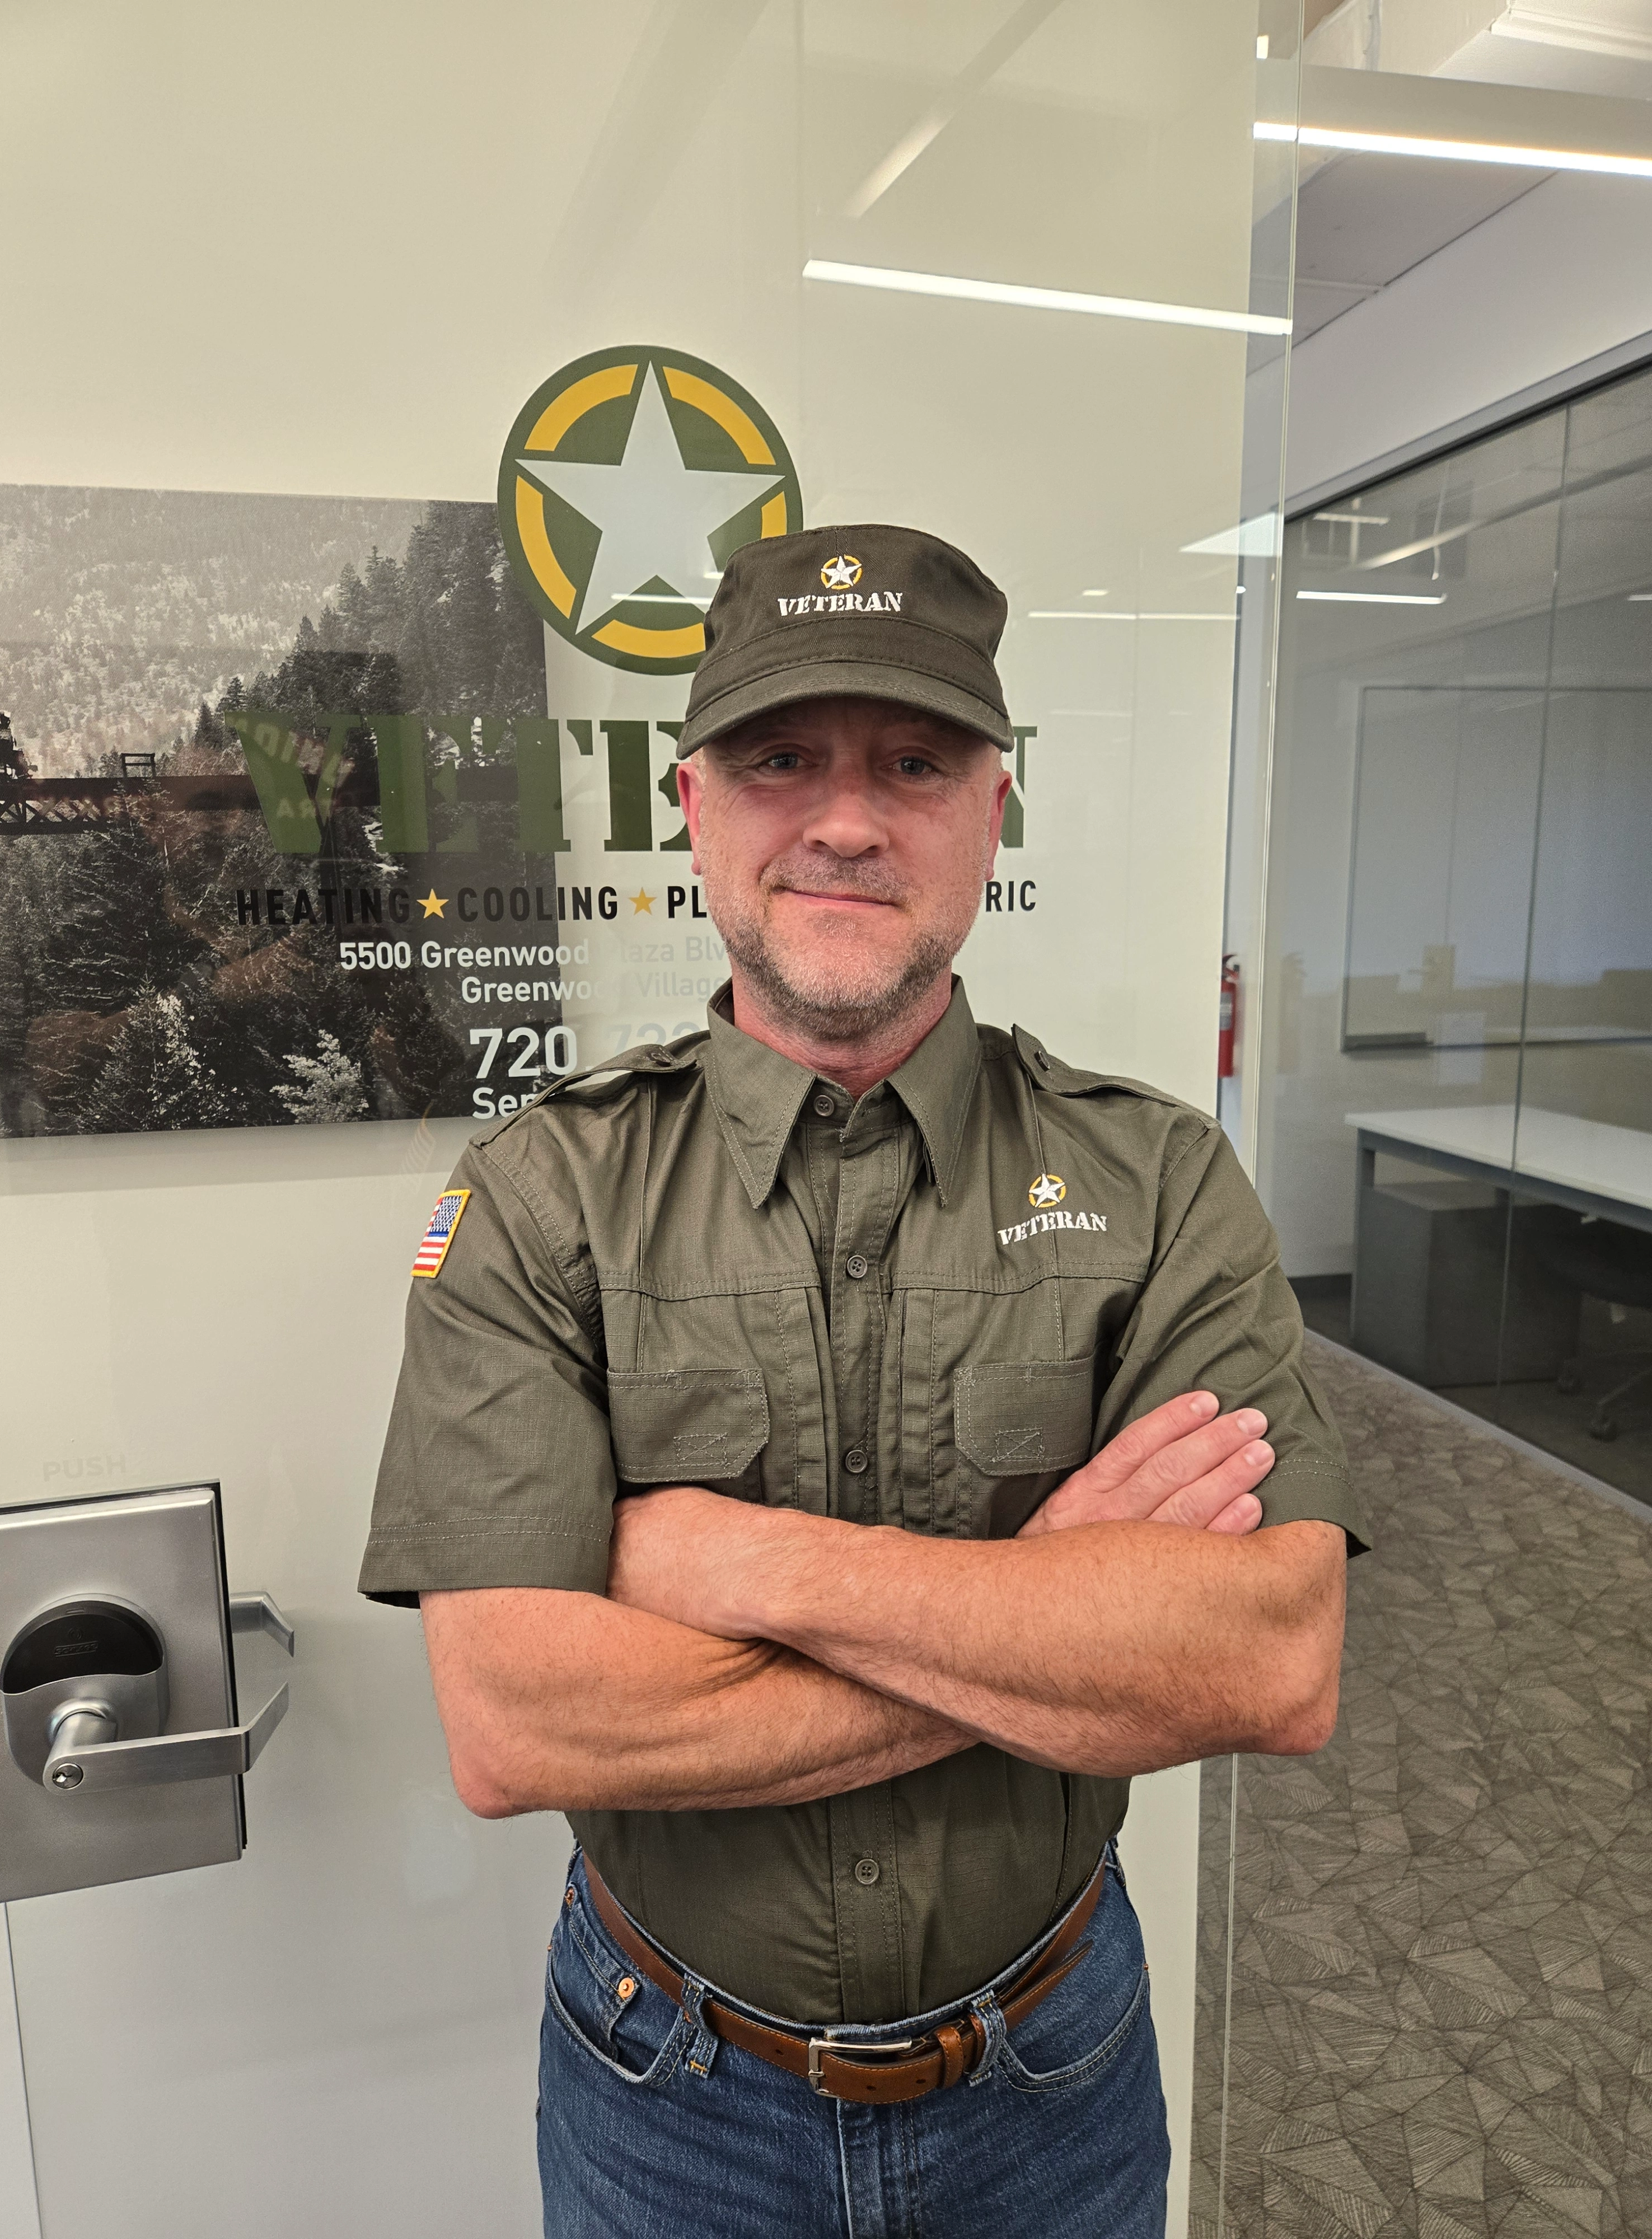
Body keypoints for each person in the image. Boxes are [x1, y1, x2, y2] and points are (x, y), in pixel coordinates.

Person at [359, 524, 1370, 2238]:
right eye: (779, 760)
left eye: (913, 761)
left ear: (995, 806)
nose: (843, 817)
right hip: (667, 2094)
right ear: (690, 803)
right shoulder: (545, 1194)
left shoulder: (1162, 1181)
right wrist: (1062, 1613)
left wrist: (717, 1557)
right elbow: (514, 1717)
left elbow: (1271, 1661)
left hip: (1057, 2073)